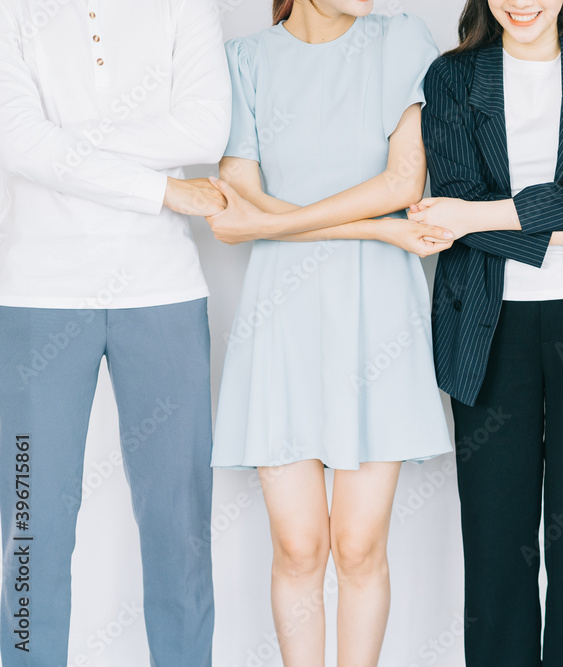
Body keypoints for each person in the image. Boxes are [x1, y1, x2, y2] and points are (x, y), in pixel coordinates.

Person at [204, 0, 454, 664]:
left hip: (379, 318)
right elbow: (241, 189)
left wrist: (267, 226)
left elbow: (402, 180)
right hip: (280, 319)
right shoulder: (246, 60)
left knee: (359, 543)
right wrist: (378, 229)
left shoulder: (401, 40)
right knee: (299, 545)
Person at [412, 1, 563, 664]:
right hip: (486, 329)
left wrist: (479, 218)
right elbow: (449, 200)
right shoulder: (452, 79)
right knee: (495, 541)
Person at [0, 0, 231, 665]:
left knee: (178, 526)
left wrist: (64, 140)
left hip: (162, 291)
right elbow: (17, 141)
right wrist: (163, 191)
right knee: (32, 526)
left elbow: (204, 130)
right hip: (35, 293)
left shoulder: (187, 8)